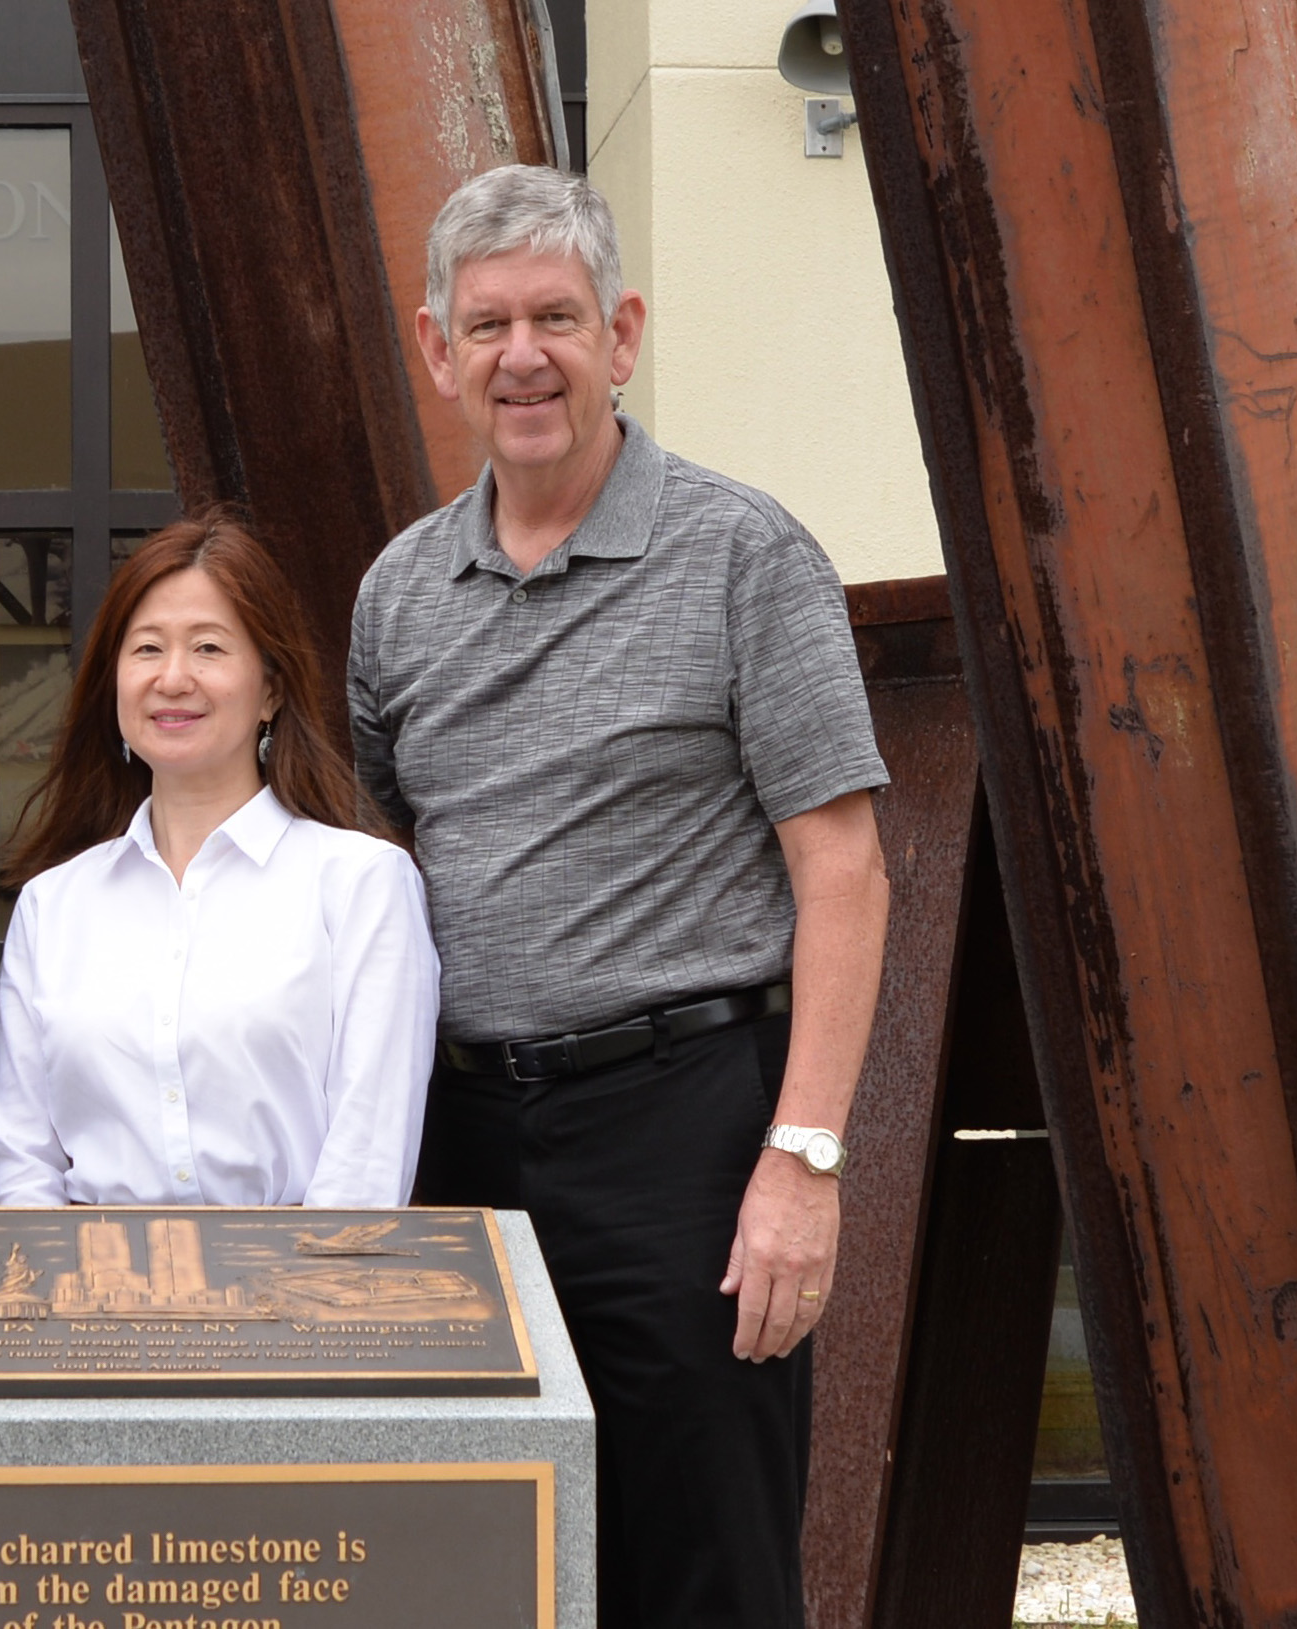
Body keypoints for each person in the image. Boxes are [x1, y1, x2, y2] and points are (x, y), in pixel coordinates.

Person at [347, 165, 891, 1629]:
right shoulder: (396, 594)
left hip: (685, 1137)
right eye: (485, 325)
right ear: (434, 348)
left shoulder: (741, 554)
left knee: (701, 1565)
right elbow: (383, 860)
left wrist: (803, 1163)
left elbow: (839, 868)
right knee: (475, 1570)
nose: (520, 355)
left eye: (554, 317)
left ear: (622, 332)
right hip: (460, 1143)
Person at [0, 512, 438, 1208]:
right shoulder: (53, 905)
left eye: (209, 648)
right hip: (89, 1301)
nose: (172, 677)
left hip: (298, 1298)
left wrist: (289, 1306)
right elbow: (19, 1163)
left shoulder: (361, 884)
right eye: (146, 649)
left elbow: (365, 1167)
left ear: (272, 690)